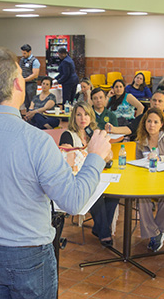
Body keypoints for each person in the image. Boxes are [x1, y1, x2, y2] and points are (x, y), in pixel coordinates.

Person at [0, 48, 111, 298]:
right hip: (28, 255)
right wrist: (95, 157)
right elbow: (73, 201)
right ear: (18, 84)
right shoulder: (36, 141)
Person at [58, 101, 118, 247]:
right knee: (94, 193)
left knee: (114, 195)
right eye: (78, 115)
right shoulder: (69, 134)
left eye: (86, 114)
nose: (82, 118)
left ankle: (99, 228)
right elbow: (66, 155)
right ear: (74, 118)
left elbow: (109, 156)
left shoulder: (94, 135)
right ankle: (104, 234)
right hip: (78, 178)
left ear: (91, 117)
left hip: (99, 174)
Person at [135, 108, 164, 252]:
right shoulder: (141, 139)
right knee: (141, 198)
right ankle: (153, 233)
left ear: (162, 124)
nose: (151, 125)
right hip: (147, 180)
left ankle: (161, 231)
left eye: (155, 122)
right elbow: (138, 162)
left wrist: (161, 158)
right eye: (149, 121)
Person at [19, 44, 40, 110]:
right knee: (26, 101)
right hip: (23, 83)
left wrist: (24, 80)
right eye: (22, 53)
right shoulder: (22, 60)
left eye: (24, 53)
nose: (23, 55)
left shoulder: (35, 61)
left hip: (31, 84)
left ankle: (32, 116)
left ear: (29, 52)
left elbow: (35, 75)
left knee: (32, 101)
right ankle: (28, 116)